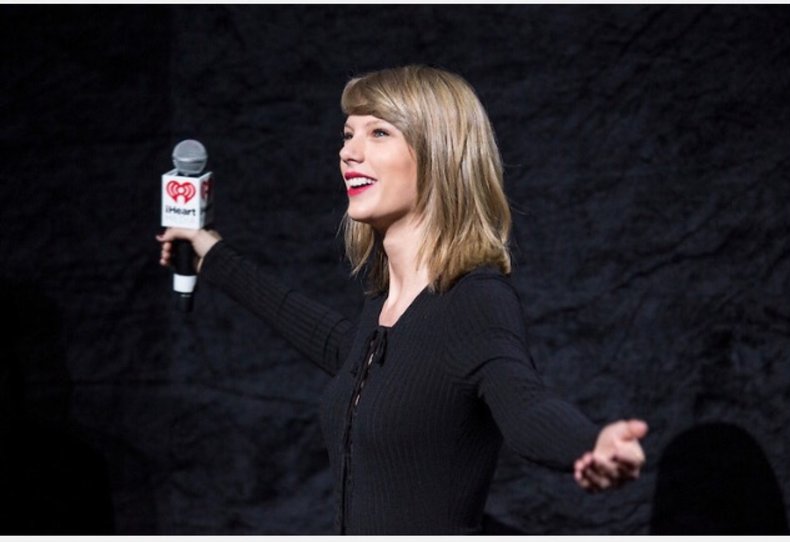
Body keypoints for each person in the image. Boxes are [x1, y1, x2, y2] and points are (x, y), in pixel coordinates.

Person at [156, 64, 647, 535]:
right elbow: (335, 344)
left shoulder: (475, 301)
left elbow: (525, 403)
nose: (349, 152)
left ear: (439, 153)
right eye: (348, 135)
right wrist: (213, 256)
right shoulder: (386, 308)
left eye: (379, 133)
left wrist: (589, 444)